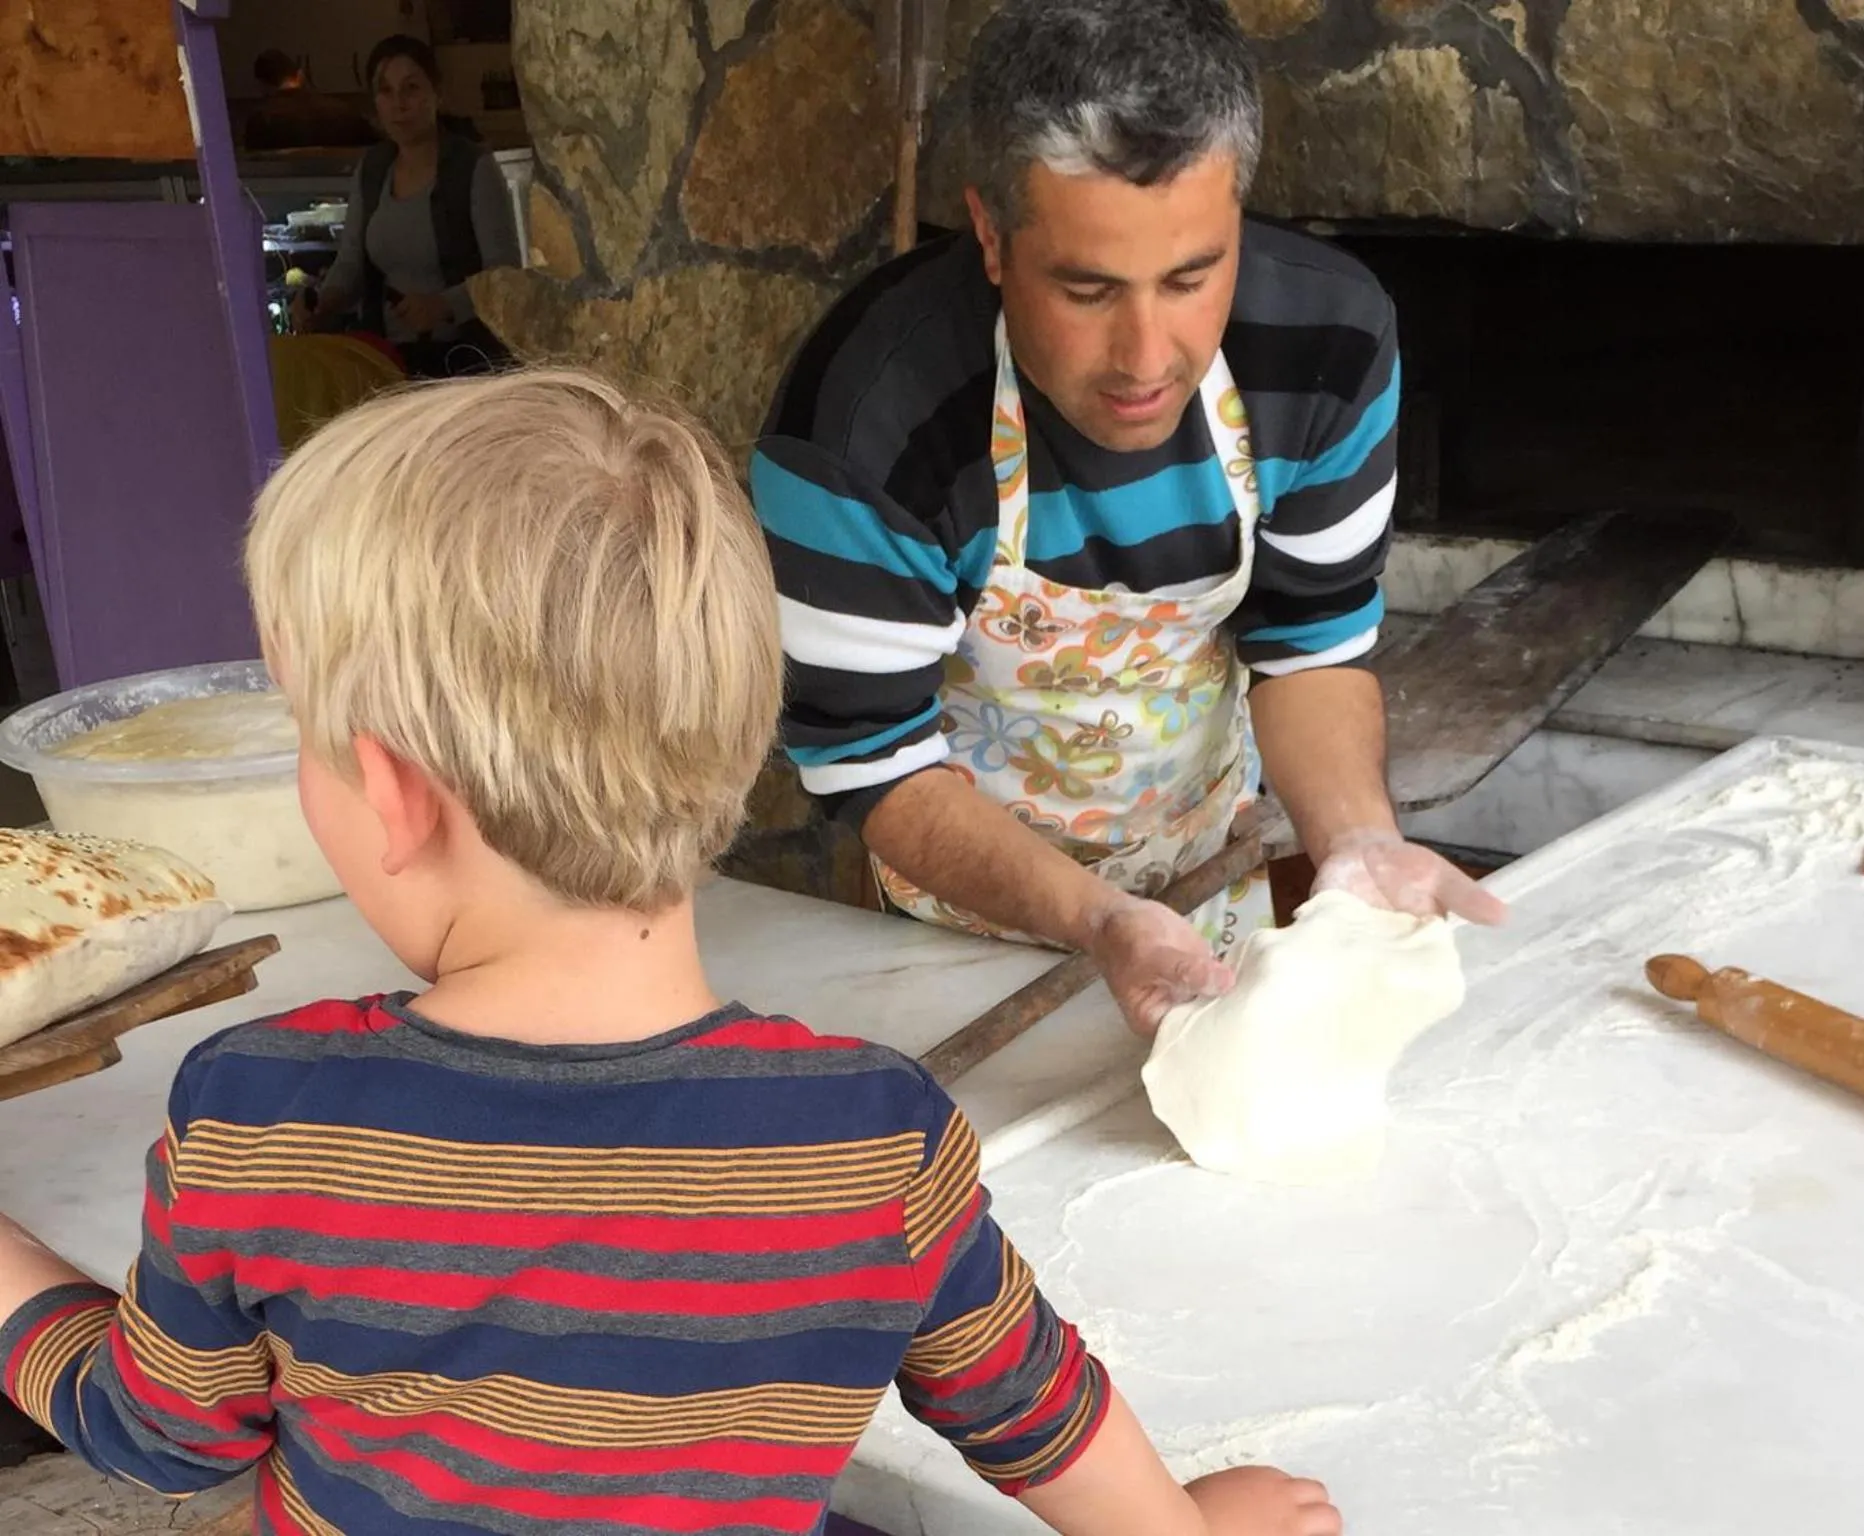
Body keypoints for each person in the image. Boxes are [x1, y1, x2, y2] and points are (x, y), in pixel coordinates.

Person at [0, 369, 1342, 1536]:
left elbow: (164, 1434)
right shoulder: (876, 1142)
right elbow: (1020, 1401)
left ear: (394, 794)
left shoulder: (263, 1118)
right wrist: (1176, 1523)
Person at [753, 0, 1508, 1034]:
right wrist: (1098, 918)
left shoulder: (1325, 343)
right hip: (947, 937)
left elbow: (1309, 642)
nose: (1146, 357)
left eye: (1191, 276)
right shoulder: (865, 418)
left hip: (1207, 885)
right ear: (989, 234)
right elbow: (870, 757)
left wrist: (1355, 842)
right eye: (1087, 288)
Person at [290, 34, 520, 377]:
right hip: (386, 361)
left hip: (466, 360)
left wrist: (444, 305)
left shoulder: (472, 166)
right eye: (385, 91)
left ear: (436, 94)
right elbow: (350, 262)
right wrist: (322, 304)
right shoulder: (372, 169)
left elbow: (505, 274)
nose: (399, 104)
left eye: (411, 88)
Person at [242, 48, 378, 152]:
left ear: (261, 85)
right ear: (300, 75)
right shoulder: (343, 110)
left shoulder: (261, 120)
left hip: (284, 186)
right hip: (339, 183)